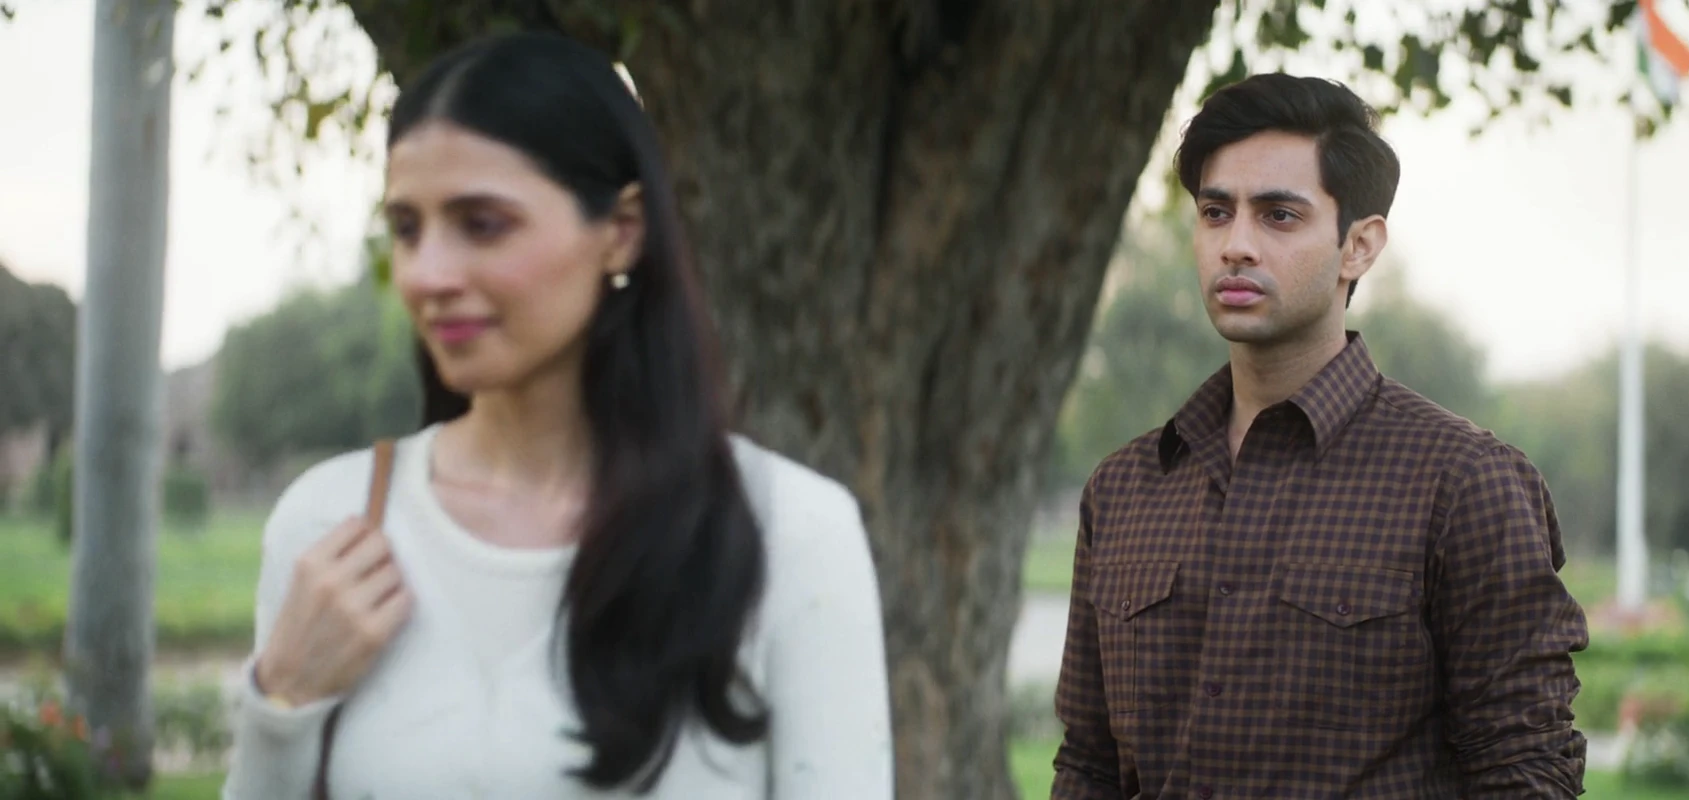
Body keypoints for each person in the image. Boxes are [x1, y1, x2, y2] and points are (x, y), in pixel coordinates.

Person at [223, 32, 894, 799]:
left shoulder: (787, 531)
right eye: (407, 228)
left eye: (483, 224)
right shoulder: (333, 526)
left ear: (622, 232)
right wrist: (282, 703)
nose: (427, 274)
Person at [1050, 73, 1588, 798]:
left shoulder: (1463, 485)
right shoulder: (1124, 489)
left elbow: (1526, 772)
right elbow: (1088, 765)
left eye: (1278, 215)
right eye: (1216, 212)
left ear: (1359, 246)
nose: (1236, 246)